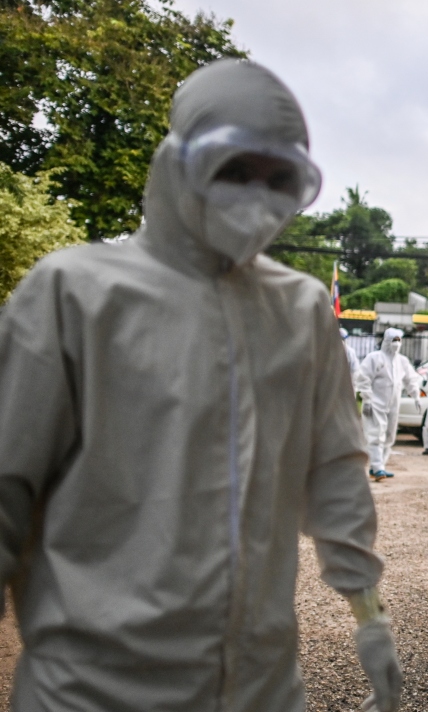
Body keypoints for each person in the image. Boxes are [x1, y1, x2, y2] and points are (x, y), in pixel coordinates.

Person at [0, 59, 401, 712]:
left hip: (262, 685)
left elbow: (334, 473)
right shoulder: (76, 295)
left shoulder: (298, 312)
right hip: (92, 690)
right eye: (235, 170)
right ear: (178, 164)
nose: (256, 197)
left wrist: (369, 614)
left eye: (279, 179)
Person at [356, 328, 422, 481]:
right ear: (386, 340)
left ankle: (379, 466)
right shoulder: (374, 358)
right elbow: (363, 379)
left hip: (393, 404)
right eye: (394, 340)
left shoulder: (402, 361)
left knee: (390, 436)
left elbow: (411, 380)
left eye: (399, 340)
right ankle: (378, 468)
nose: (396, 344)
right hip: (376, 403)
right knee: (375, 435)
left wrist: (416, 396)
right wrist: (366, 399)